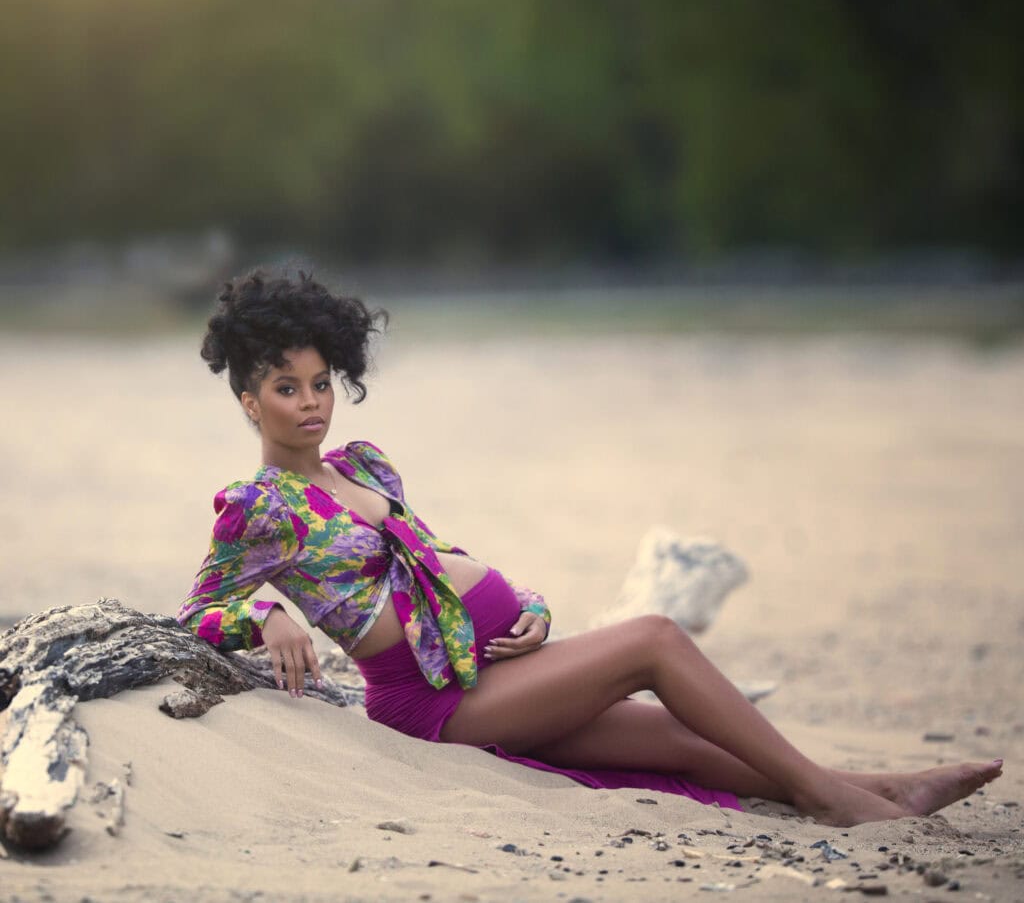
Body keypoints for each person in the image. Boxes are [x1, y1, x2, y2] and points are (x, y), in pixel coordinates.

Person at [178, 269, 1003, 827]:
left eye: (322, 382)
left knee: (684, 743)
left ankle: (884, 788)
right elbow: (199, 608)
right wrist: (263, 611)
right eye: (287, 388)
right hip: (433, 702)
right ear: (250, 400)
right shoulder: (258, 506)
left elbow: (438, 555)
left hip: (498, 662)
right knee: (655, 640)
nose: (312, 402)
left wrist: (532, 609)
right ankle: (843, 799)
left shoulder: (365, 462)